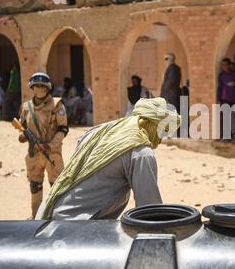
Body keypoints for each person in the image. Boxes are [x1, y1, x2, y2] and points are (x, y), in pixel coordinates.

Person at [35, 97, 181, 220]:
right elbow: (150, 211)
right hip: (77, 229)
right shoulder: (141, 152)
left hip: (49, 214)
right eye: (162, 130)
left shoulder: (100, 131)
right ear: (152, 123)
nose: (161, 139)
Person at [18, 72, 68, 219]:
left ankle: (57, 218)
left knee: (57, 188)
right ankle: (36, 217)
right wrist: (23, 136)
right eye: (36, 86)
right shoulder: (26, 107)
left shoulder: (57, 105)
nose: (39, 89)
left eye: (42, 86)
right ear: (32, 88)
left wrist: (50, 145)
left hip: (52, 154)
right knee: (35, 186)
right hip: (34, 155)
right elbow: (23, 127)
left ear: (47, 88)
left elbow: (63, 130)